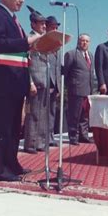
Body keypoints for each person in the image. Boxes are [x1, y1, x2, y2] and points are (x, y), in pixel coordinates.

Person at [0, 0, 40, 182]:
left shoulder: (14, 20)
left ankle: (12, 163)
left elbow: (17, 49)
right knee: (2, 127)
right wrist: (26, 42)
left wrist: (31, 46)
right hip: (3, 82)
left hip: (17, 82)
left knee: (15, 127)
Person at [23, 6, 48, 154]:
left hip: (45, 81)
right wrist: (30, 82)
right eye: (41, 23)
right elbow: (26, 63)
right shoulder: (28, 39)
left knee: (43, 114)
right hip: (34, 82)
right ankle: (30, 144)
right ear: (33, 24)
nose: (44, 26)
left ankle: (39, 142)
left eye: (44, 23)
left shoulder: (44, 39)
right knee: (32, 114)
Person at [64, 34, 95, 145]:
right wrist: (70, 86)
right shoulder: (71, 54)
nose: (85, 43)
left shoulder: (90, 55)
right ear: (78, 42)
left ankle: (83, 135)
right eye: (82, 40)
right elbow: (66, 73)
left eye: (87, 41)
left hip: (88, 90)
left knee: (85, 115)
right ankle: (73, 136)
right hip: (75, 90)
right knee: (74, 115)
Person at [45, 16, 61, 146]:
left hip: (54, 85)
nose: (55, 29)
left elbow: (58, 68)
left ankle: (50, 137)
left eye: (56, 27)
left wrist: (59, 87)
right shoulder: (42, 42)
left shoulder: (58, 45)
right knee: (42, 113)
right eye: (52, 27)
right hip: (45, 83)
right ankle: (42, 138)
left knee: (51, 113)